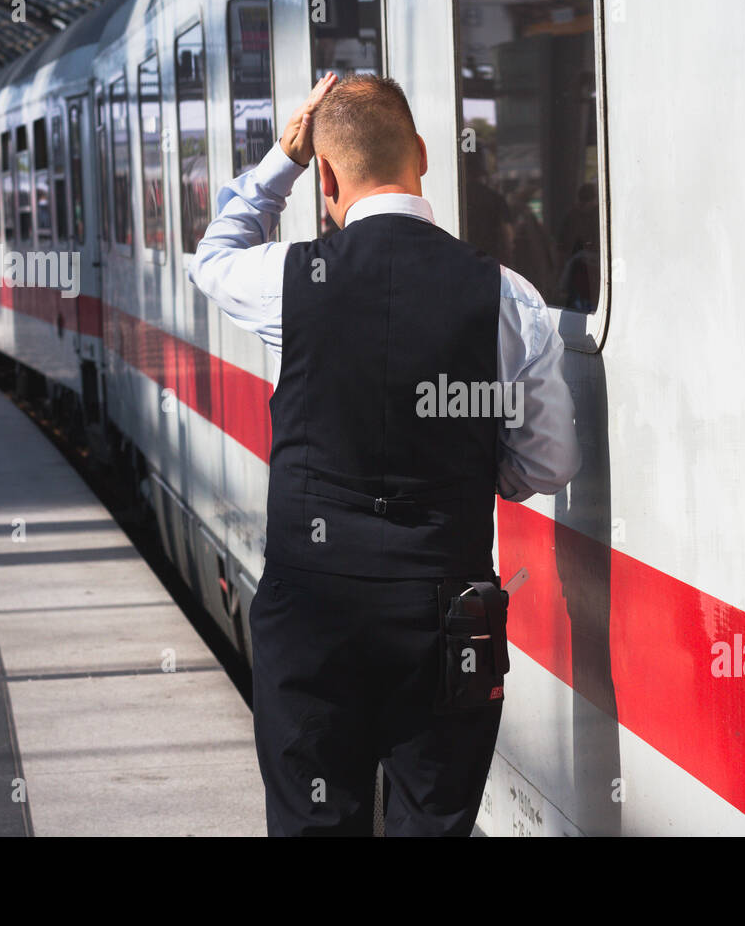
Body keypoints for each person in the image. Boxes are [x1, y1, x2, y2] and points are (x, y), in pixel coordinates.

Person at [187, 73, 581, 836]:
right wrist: (472, 467)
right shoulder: (508, 296)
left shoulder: (290, 279)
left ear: (325, 175)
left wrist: (283, 159)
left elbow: (213, 254)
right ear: (425, 156)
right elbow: (547, 465)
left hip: (313, 616)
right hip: (446, 615)